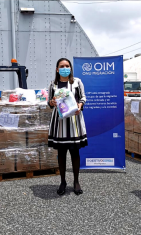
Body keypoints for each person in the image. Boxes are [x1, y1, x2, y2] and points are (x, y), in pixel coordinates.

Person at [48, 58, 88, 196]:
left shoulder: (76, 82)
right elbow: (49, 101)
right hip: (59, 122)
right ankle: (63, 181)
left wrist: (80, 105)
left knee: (75, 152)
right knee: (62, 153)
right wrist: (52, 102)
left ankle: (76, 181)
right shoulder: (53, 84)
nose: (65, 68)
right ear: (57, 69)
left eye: (67, 66)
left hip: (74, 121)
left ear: (70, 68)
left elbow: (83, 97)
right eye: (62, 66)